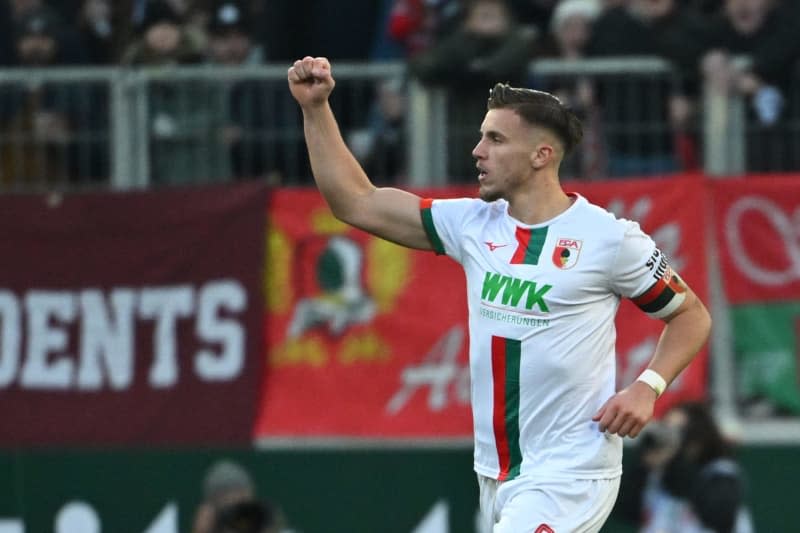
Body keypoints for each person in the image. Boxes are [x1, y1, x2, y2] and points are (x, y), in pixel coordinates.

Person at [287, 56, 712, 532]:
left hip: (567, 473)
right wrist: (316, 109)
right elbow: (356, 201)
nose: (477, 151)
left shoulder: (609, 239)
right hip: (495, 473)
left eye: (495, 139)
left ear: (541, 156)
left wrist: (647, 387)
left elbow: (691, 315)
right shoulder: (472, 224)